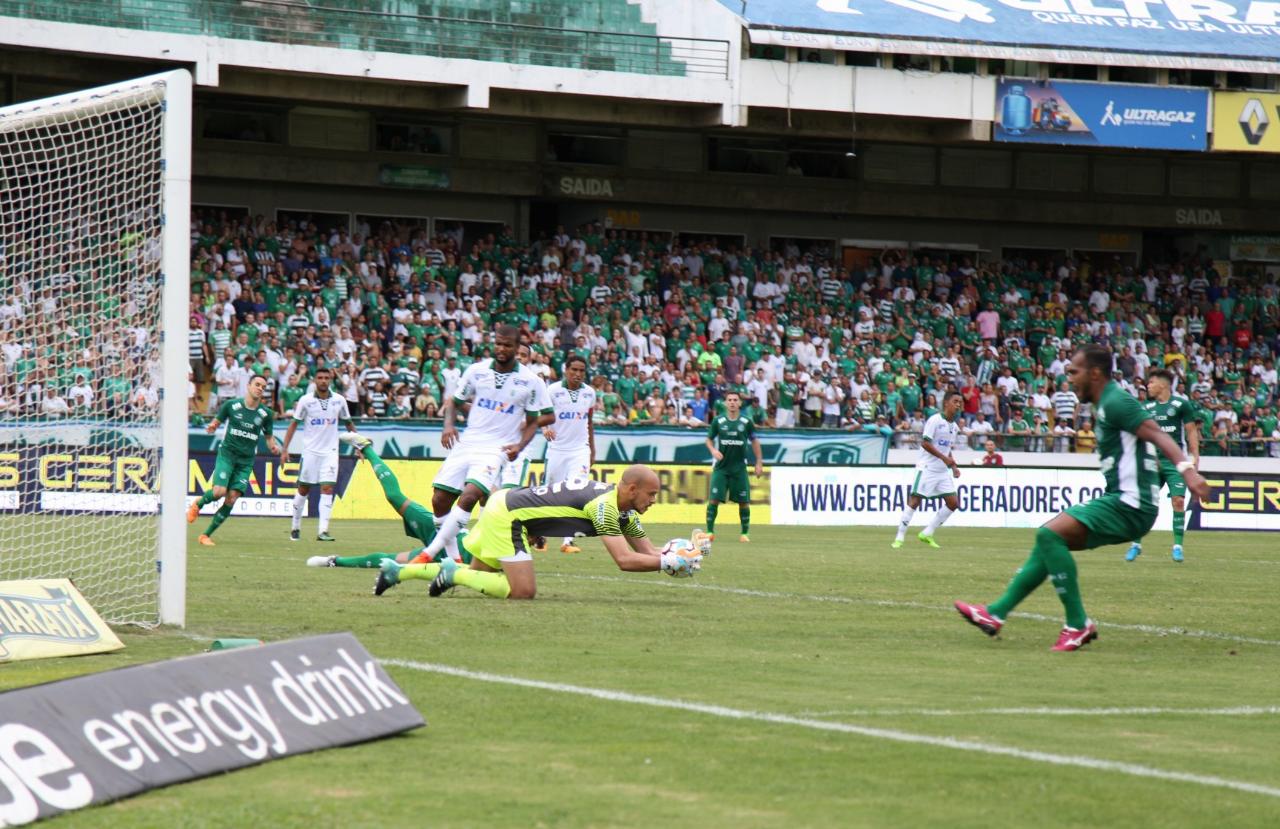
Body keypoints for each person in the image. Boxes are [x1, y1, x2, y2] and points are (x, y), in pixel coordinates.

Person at [955, 345, 1209, 652]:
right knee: (1048, 543)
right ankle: (995, 614)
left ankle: (1077, 624)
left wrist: (1188, 471)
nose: (1069, 377)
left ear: (1095, 373)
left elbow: (1158, 434)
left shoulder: (1117, 401)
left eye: (1074, 372)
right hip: (1123, 499)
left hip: (1131, 504)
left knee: (1049, 534)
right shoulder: (1105, 403)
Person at [374, 466, 706, 600]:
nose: (652, 501)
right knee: (522, 591)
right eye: (650, 495)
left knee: (478, 574)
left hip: (509, 503)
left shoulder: (622, 510)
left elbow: (648, 550)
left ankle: (399, 571)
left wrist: (689, 551)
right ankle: (450, 574)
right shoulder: (604, 507)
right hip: (510, 515)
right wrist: (669, 564)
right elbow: (625, 560)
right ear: (632, 489)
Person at [415, 325, 553, 563]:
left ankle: (428, 553)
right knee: (439, 500)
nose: (501, 349)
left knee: (471, 496)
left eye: (507, 345)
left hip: (496, 449)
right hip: (467, 442)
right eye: (498, 343)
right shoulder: (476, 371)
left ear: (517, 348)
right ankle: (455, 561)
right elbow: (454, 402)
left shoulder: (530, 381)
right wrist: (448, 426)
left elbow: (534, 420)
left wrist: (520, 446)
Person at [306, 434, 457, 570]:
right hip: (443, 530)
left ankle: (333, 561)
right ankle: (365, 447)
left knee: (390, 561)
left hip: (445, 556)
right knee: (394, 496)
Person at [186, 374, 281, 546]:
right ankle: (198, 504)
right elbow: (217, 420)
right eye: (257, 385)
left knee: (232, 498)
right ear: (248, 385)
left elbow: (268, 437)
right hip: (228, 455)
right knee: (219, 492)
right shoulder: (232, 405)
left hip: (245, 461)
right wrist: (213, 425)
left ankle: (205, 536)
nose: (260, 388)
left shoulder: (265, 414)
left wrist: (273, 446)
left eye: (263, 387)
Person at [1125, 368, 1201, 563]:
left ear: (1163, 385)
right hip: (1153, 462)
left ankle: (1177, 546)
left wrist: (1195, 456)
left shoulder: (1181, 404)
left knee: (1178, 501)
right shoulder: (1147, 408)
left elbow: (1191, 431)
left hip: (1175, 462)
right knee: (1144, 501)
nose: (1147, 387)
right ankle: (1136, 544)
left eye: (1151, 383)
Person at [279, 366, 355, 542]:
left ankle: (323, 531)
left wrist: (358, 445)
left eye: (326, 378)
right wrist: (284, 449)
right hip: (310, 452)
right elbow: (293, 424)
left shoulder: (339, 400)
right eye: (320, 377)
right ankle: (295, 526)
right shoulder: (305, 401)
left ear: (330, 380)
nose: (323, 380)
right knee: (303, 490)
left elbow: (348, 423)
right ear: (314, 380)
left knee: (327, 488)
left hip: (330, 452)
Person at [893, 391, 963, 549]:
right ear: (946, 403)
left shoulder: (955, 427)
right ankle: (900, 537)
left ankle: (927, 533)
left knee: (953, 503)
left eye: (960, 402)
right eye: (955, 401)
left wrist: (953, 466)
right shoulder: (935, 420)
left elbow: (946, 449)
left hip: (942, 471)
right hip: (927, 468)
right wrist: (944, 459)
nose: (958, 404)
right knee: (915, 501)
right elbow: (925, 443)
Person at [541, 354, 596, 553]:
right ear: (566, 370)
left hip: (580, 449)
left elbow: (589, 422)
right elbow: (543, 414)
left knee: (577, 492)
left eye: (582, 370)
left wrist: (592, 449)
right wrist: (545, 428)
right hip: (557, 449)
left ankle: (567, 541)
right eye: (574, 370)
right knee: (549, 493)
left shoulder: (590, 393)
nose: (578, 374)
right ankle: (540, 536)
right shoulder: (553, 390)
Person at [705, 390, 765, 542]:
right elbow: (709, 440)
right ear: (725, 403)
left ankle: (744, 533)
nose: (732, 402)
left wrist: (758, 462)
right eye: (729, 400)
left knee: (744, 502)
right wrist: (713, 450)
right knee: (713, 500)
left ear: (739, 403)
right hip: (721, 468)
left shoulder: (746, 422)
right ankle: (709, 532)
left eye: (735, 400)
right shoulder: (718, 421)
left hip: (739, 468)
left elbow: (755, 441)